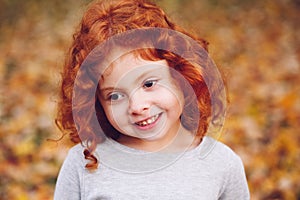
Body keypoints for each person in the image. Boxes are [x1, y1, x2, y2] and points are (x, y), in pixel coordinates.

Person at [54, 0, 250, 199]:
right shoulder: (84, 163)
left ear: (182, 76)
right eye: (115, 96)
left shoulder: (222, 165)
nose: (137, 106)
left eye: (149, 84)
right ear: (96, 104)